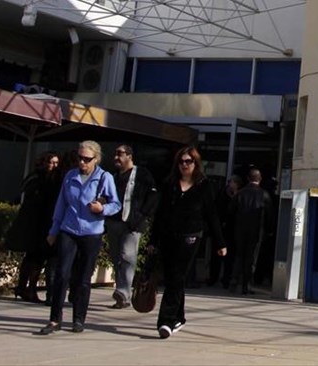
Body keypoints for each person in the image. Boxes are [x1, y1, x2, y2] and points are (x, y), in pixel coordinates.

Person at [37, 141, 120, 335]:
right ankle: (54, 319)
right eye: (79, 158)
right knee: (62, 274)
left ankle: (78, 319)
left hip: (92, 232)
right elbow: (61, 204)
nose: (82, 162)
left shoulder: (104, 177)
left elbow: (116, 204)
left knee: (83, 278)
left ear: (96, 159)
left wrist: (102, 209)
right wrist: (53, 230)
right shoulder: (70, 176)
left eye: (87, 159)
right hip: (69, 229)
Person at [149, 146, 226, 339]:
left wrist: (220, 243)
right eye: (181, 162)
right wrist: (153, 240)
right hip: (169, 235)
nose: (184, 165)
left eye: (188, 161)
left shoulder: (204, 186)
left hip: (191, 236)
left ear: (196, 163)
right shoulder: (170, 184)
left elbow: (212, 215)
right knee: (173, 277)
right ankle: (179, 317)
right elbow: (160, 214)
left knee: (177, 275)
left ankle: (165, 320)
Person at [103, 144, 158, 309]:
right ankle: (122, 291)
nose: (116, 157)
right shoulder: (113, 176)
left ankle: (123, 293)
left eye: (120, 154)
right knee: (116, 258)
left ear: (129, 156)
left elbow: (153, 196)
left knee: (128, 256)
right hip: (114, 221)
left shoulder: (142, 175)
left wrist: (142, 217)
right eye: (115, 154)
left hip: (133, 223)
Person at [7, 152, 61, 304]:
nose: (54, 166)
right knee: (35, 257)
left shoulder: (47, 178)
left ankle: (25, 287)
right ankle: (28, 288)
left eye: (56, 163)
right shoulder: (37, 179)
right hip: (35, 223)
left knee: (34, 257)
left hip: (41, 223)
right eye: (51, 162)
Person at [231, 168, 272, 295]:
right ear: (260, 179)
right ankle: (246, 284)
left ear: (248, 178)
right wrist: (269, 230)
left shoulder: (240, 193)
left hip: (240, 229)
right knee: (251, 258)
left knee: (239, 255)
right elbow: (269, 215)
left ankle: (233, 281)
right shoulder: (264, 194)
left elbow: (231, 211)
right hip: (256, 230)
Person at [207, 175, 241, 288]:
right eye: (230, 182)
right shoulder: (222, 194)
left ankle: (226, 278)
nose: (230, 184)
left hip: (232, 230)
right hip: (221, 228)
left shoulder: (239, 195)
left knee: (229, 257)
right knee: (216, 254)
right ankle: (213, 277)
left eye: (232, 182)